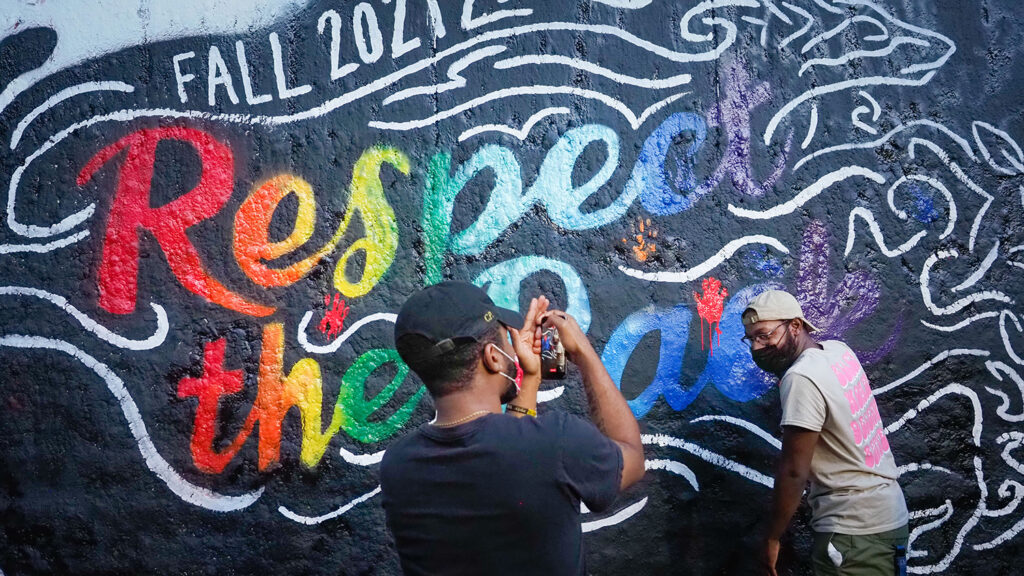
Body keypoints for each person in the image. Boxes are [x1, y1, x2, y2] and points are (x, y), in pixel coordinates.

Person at [381, 280, 645, 576]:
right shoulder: (556, 441)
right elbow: (632, 458)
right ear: (493, 357)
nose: (512, 344)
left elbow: (506, 461)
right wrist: (583, 352)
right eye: (507, 338)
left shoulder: (397, 466)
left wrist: (530, 378)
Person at [742, 290, 909, 576]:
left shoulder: (801, 378)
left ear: (795, 325)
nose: (758, 347)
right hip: (889, 517)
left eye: (765, 335)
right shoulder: (838, 351)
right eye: (752, 339)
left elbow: (794, 472)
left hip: (852, 534)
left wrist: (772, 537)